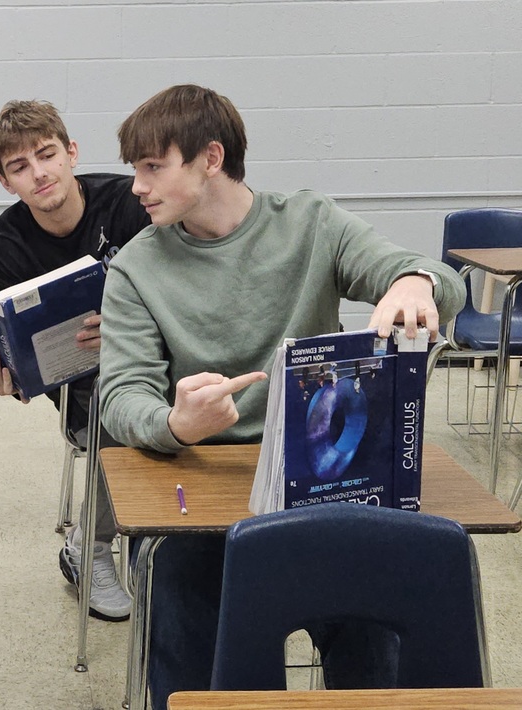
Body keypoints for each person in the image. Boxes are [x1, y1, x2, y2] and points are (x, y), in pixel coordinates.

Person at [99, 84, 467, 709]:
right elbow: (120, 396)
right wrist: (175, 422)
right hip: (206, 479)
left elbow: (433, 280)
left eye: (153, 167)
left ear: (209, 159)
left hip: (324, 474)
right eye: (137, 169)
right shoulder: (136, 267)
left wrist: (414, 281)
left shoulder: (310, 222)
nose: (136, 185)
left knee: (374, 616)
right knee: (187, 609)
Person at [0, 99, 150, 621]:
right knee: (119, 417)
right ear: (6, 182)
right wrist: (9, 374)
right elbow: (22, 347)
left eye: (46, 155)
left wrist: (122, 329)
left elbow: (177, 294)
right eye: (19, 167)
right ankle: (90, 546)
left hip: (153, 354)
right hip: (79, 380)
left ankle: (163, 539)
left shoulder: (128, 203)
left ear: (71, 152)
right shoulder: (3, 243)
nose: (39, 173)